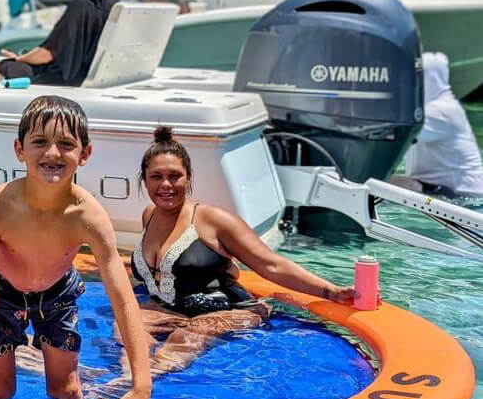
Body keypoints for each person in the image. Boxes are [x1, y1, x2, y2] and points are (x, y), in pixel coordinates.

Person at [0, 96, 152, 399]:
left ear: (85, 153)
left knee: (66, 388)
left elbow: (122, 297)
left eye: (66, 144)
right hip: (3, 294)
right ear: (20, 149)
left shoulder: (88, 216)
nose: (52, 154)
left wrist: (142, 385)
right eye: (40, 142)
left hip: (59, 294)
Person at [131, 126, 355, 375]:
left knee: (186, 337)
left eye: (175, 176)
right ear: (144, 179)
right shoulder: (148, 216)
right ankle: (120, 380)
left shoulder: (211, 219)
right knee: (127, 328)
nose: (166, 185)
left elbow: (271, 264)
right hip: (171, 309)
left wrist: (330, 291)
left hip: (228, 312)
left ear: (189, 177)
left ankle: (126, 388)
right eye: (156, 176)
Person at [401, 51, 483, 197]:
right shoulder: (440, 107)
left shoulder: (442, 110)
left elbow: (395, 130)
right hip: (441, 189)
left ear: (427, 78)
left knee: (379, 182)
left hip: (462, 196)